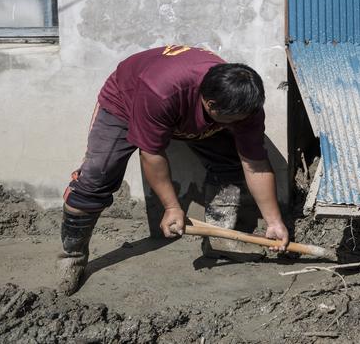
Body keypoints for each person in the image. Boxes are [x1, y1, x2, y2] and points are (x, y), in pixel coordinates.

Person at [57, 45, 288, 295]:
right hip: (128, 100)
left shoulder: (245, 103)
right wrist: (171, 207)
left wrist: (274, 221)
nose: (242, 124)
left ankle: (220, 237)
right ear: (210, 105)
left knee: (231, 159)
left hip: (190, 109)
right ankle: (72, 256)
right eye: (235, 120)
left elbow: (254, 164)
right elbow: (152, 153)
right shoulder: (160, 91)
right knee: (95, 177)